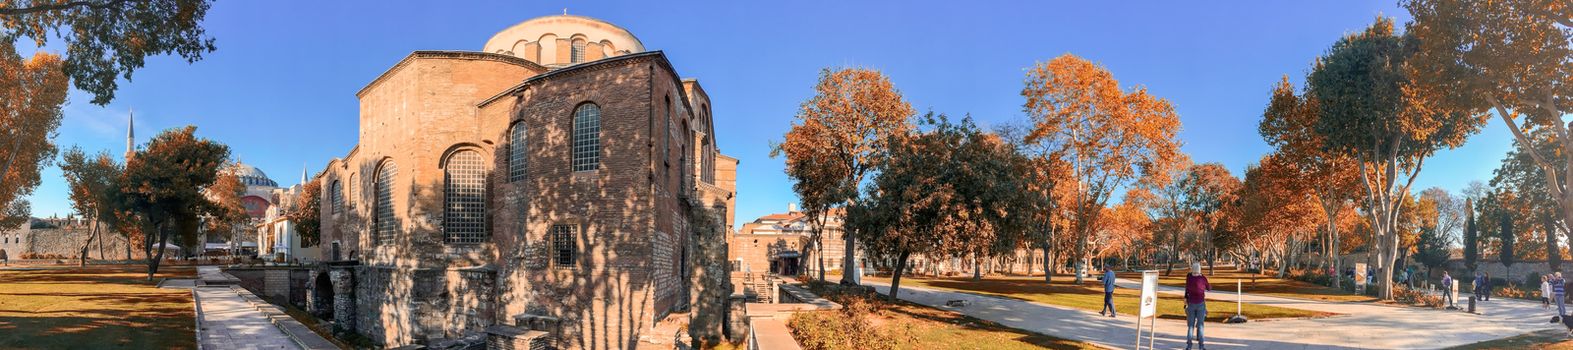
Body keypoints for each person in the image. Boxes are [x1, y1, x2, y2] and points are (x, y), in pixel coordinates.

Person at [1184, 262, 1210, 350]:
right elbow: (1209, 288)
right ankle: (1201, 346)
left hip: (1191, 303)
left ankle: (1189, 346)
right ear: (1199, 270)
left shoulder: (1189, 278)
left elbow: (1186, 289)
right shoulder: (1202, 278)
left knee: (1190, 326)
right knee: (1201, 325)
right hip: (1201, 304)